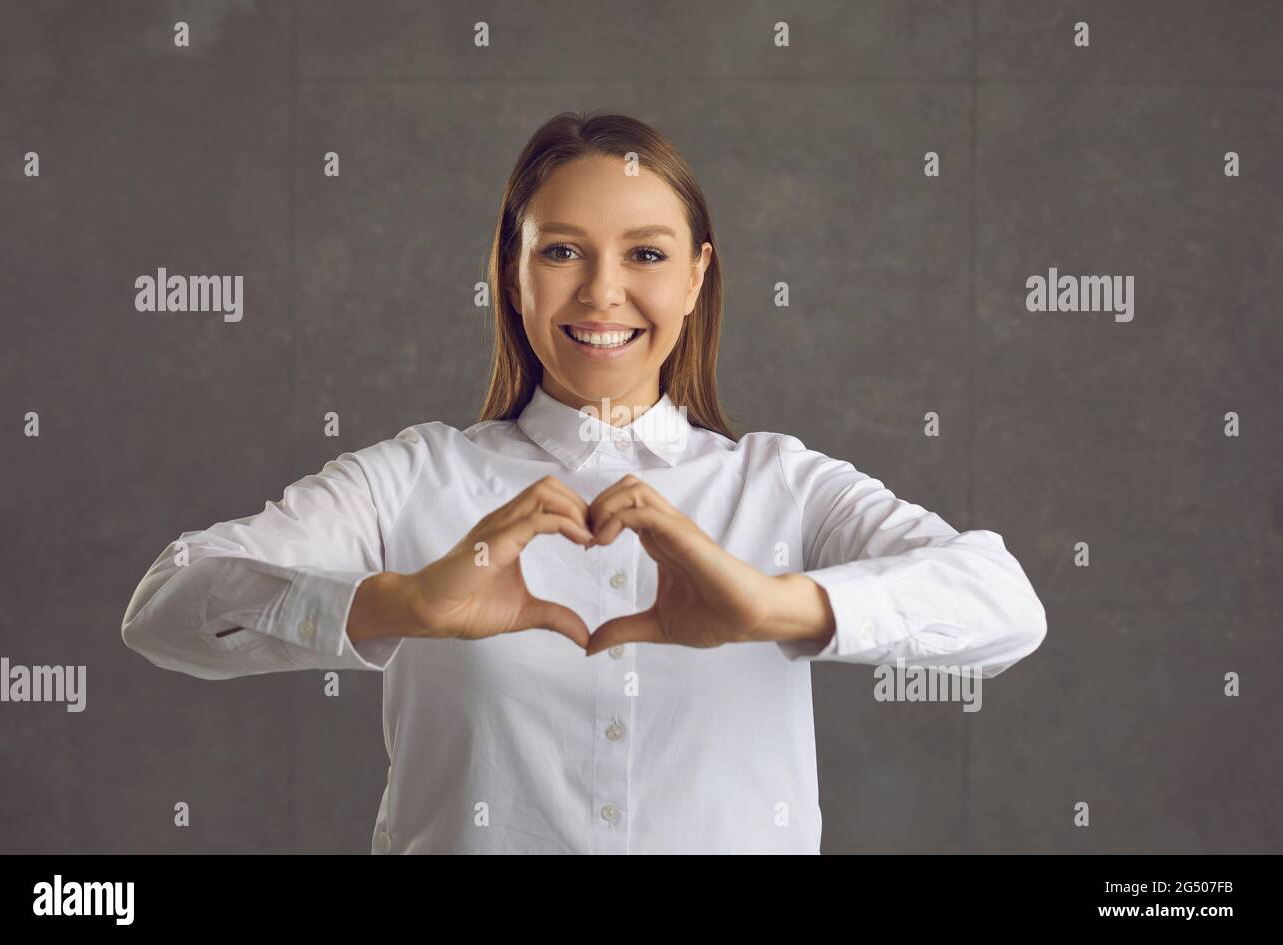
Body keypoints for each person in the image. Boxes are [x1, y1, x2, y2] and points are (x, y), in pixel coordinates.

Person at [121, 110, 1047, 854]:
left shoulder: (785, 487)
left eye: (645, 253)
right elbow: (167, 606)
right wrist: (401, 603)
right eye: (561, 251)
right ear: (511, 277)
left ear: (696, 278)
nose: (602, 294)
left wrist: (773, 606)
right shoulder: (413, 478)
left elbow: (1005, 607)